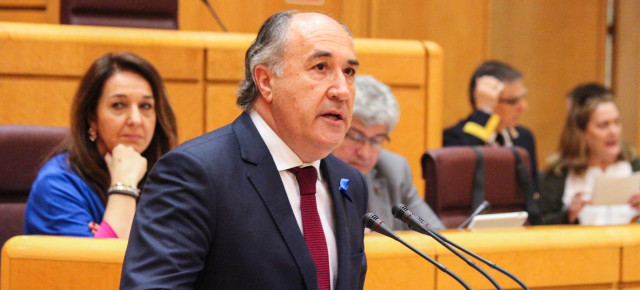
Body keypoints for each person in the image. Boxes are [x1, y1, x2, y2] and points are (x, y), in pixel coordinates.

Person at [120, 11, 368, 289]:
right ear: (265, 81)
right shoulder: (195, 174)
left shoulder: (350, 183)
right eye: (320, 67)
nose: (342, 90)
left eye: (349, 72)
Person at [24, 52, 178, 239]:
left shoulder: (169, 179)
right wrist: (124, 186)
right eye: (119, 105)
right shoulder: (57, 185)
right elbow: (104, 265)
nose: (136, 119)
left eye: (145, 106)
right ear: (92, 117)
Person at [332, 75, 445, 230]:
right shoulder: (312, 175)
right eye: (355, 137)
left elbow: (437, 237)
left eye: (376, 140)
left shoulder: (394, 171)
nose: (364, 153)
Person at [442, 60, 541, 224]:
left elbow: (533, 199)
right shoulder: (454, 137)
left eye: (523, 97)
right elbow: (463, 178)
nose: (523, 106)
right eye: (514, 101)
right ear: (490, 101)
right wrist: (484, 113)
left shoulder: (524, 138)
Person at [540, 83, 640, 225]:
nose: (613, 131)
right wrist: (569, 215)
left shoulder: (636, 166)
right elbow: (540, 226)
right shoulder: (558, 174)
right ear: (583, 133)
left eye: (617, 123)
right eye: (603, 125)